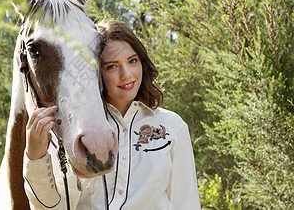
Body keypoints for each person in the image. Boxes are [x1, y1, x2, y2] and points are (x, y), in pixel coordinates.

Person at [23, 19, 201, 209]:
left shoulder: (172, 126)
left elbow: (186, 202)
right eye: (111, 66)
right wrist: (36, 157)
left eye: (133, 61)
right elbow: (52, 207)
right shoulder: (74, 130)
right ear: (94, 72)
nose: (127, 75)